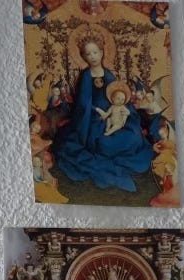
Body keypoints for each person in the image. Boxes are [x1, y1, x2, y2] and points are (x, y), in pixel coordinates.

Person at [51, 32, 153, 193]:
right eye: (88, 53)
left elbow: (119, 94)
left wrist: (125, 112)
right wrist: (99, 113)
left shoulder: (108, 74)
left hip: (114, 111)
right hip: (93, 117)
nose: (92, 56)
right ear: (83, 56)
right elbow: (83, 103)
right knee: (104, 142)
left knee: (132, 135)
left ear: (102, 52)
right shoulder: (86, 76)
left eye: (95, 52)